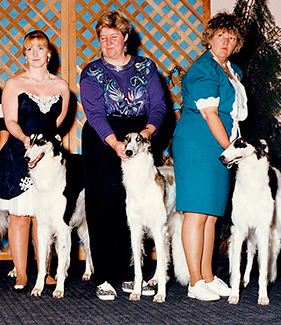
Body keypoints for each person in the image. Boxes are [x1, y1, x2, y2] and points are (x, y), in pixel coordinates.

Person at [80, 10, 167, 301]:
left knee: (133, 206)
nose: (108, 43)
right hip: (102, 136)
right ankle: (105, 275)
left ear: (126, 37)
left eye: (113, 37)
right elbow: (93, 112)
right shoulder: (91, 71)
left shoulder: (146, 67)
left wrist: (147, 133)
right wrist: (114, 143)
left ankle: (132, 273)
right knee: (104, 203)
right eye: (103, 38)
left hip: (139, 137)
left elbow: (158, 106)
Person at [0, 30, 70, 292]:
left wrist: (46, 147)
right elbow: (9, 121)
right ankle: (21, 273)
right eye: (29, 49)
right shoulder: (13, 84)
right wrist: (25, 139)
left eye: (40, 48)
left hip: (49, 160)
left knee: (43, 216)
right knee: (20, 215)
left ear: (49, 53)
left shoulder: (61, 86)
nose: (35, 54)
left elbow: (57, 122)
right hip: (20, 154)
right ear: (24, 55)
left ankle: (44, 272)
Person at [171, 12, 247, 301]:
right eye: (220, 36)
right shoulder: (203, 69)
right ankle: (194, 281)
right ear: (210, 38)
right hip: (197, 143)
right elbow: (210, 113)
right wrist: (231, 147)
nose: (226, 41)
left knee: (212, 215)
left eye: (231, 37)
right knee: (196, 212)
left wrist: (229, 146)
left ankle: (208, 276)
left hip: (220, 144)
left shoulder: (233, 70)